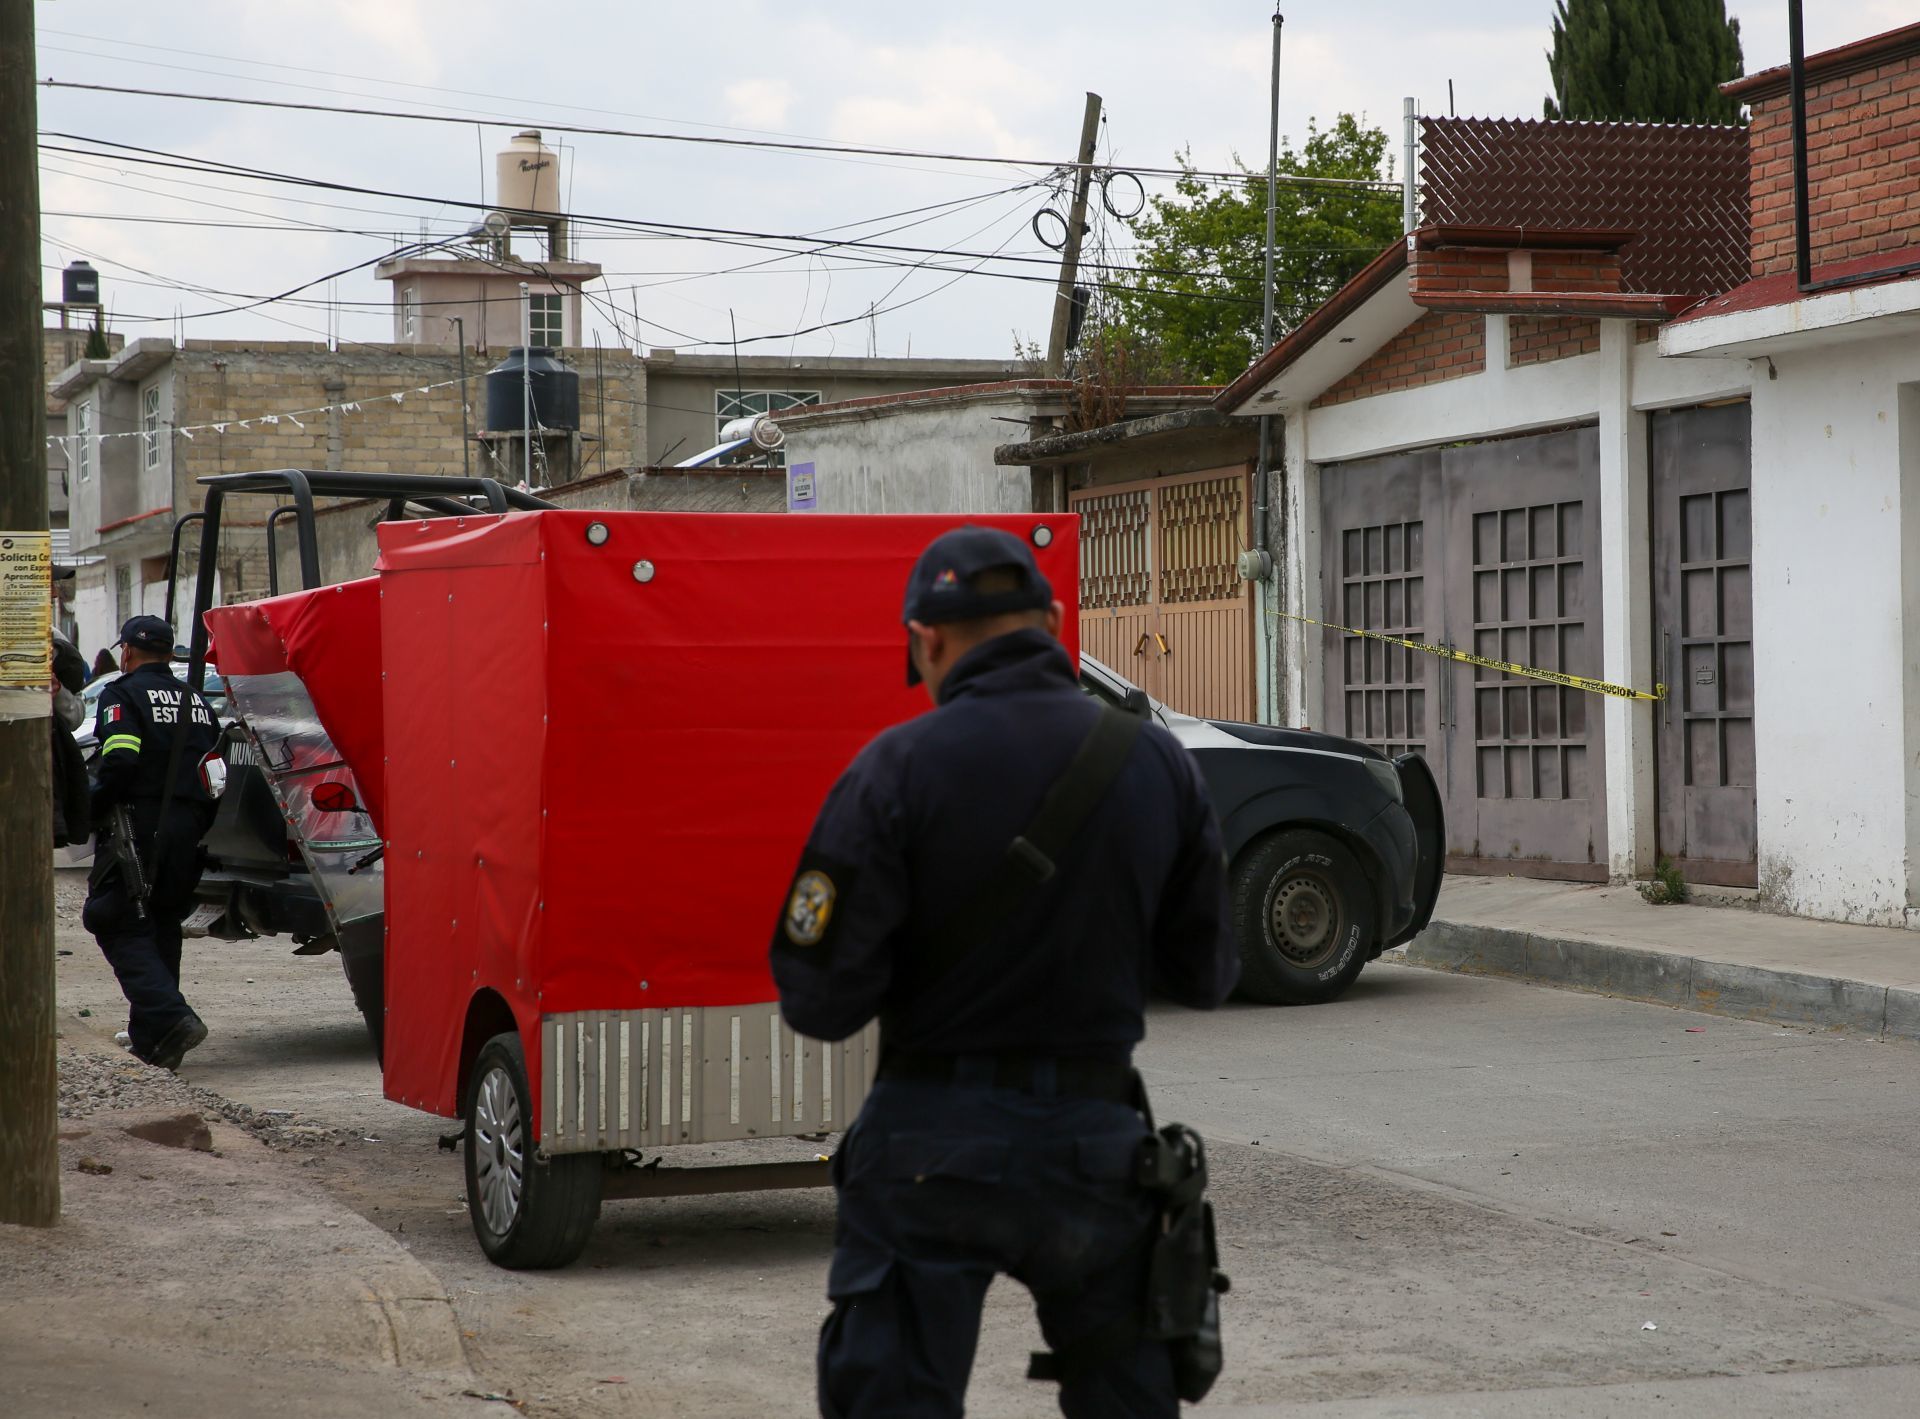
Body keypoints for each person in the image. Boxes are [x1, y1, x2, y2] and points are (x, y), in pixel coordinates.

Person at [771, 526, 1239, 1418]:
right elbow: (1207, 973)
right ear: (1055, 622)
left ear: (927, 640)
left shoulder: (892, 772)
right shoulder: (1154, 761)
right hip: (1096, 1146)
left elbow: (819, 1000)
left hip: (927, 1149)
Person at [83, 614, 220, 1071]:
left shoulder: (120, 693)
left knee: (113, 916)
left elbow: (120, 758)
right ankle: (154, 1043)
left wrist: (92, 806)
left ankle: (171, 1017)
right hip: (192, 826)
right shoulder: (196, 699)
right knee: (160, 922)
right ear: (167, 651)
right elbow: (217, 768)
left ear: (126, 651)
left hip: (138, 824)